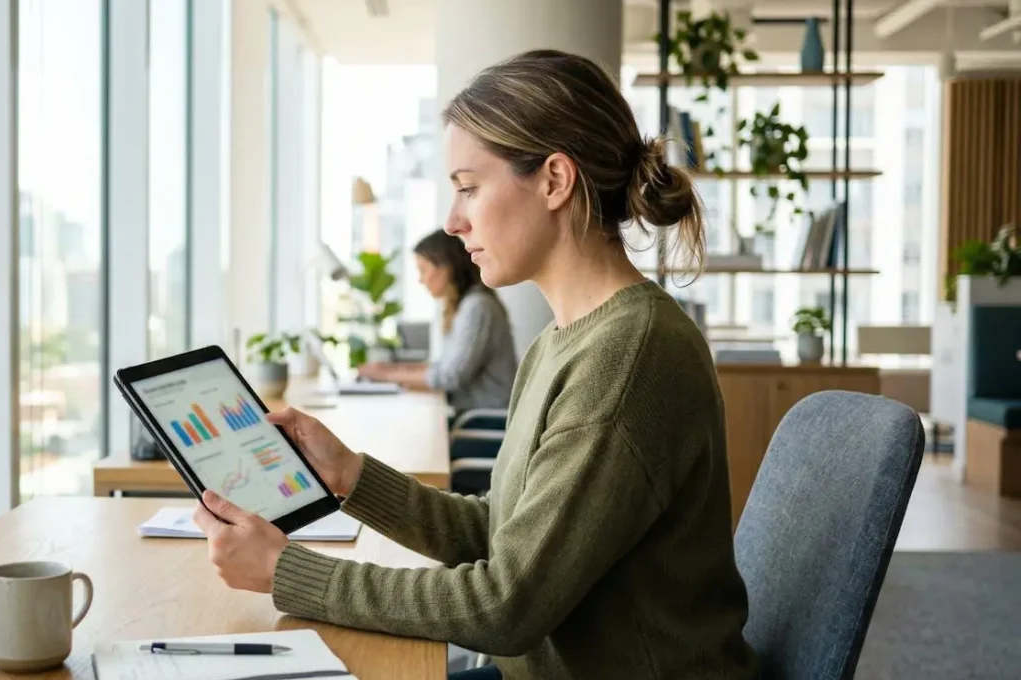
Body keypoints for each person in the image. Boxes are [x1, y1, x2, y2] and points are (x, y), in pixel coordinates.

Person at [191, 48, 759, 680]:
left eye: (468, 188)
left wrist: (286, 572)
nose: (452, 221)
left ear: (554, 180)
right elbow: (504, 534)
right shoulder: (562, 339)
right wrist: (350, 475)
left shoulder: (628, 356)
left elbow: (504, 607)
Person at [357, 229, 517, 414]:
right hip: (470, 418)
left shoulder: (477, 307)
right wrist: (391, 370)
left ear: (446, 267)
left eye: (423, 270)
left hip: (482, 423)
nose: (420, 279)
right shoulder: (465, 306)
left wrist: (385, 375)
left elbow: (449, 377)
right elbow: (442, 367)